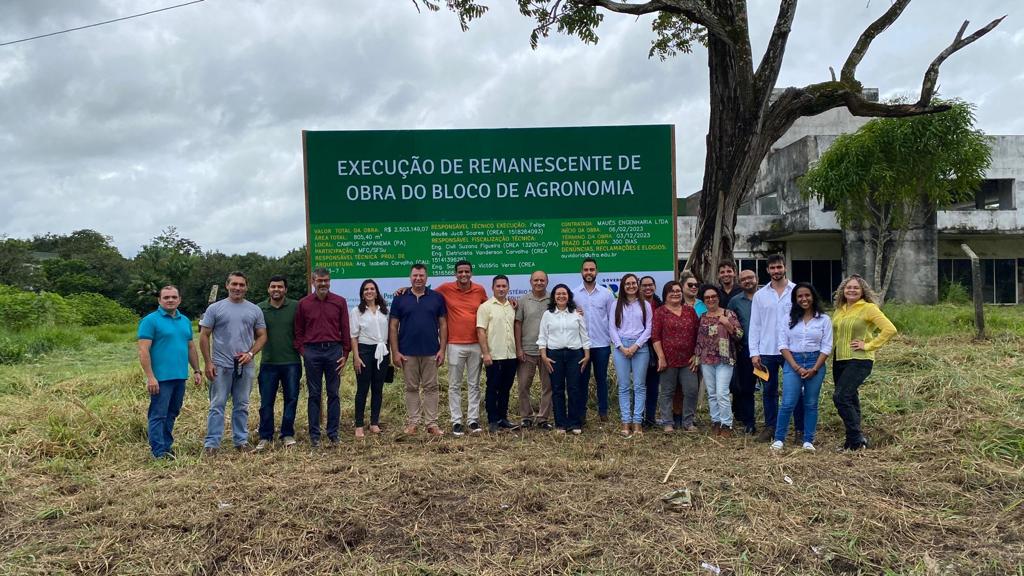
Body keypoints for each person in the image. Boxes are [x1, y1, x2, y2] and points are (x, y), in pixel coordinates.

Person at [200, 271, 267, 455]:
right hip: (220, 365)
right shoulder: (215, 309)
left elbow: (262, 336)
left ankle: (241, 440)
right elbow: (204, 335)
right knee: (217, 404)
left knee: (242, 404)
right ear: (227, 285)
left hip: (245, 365)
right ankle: (212, 443)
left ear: (247, 287)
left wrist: (251, 353)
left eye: (241, 285)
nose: (238, 288)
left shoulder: (254, 310)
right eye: (234, 284)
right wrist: (208, 362)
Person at [831, 275, 897, 450]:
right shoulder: (840, 309)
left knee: (841, 397)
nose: (851, 290)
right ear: (843, 290)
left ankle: (857, 438)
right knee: (851, 398)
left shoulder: (868, 308)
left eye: (856, 288)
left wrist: (868, 345)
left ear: (862, 292)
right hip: (839, 360)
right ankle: (853, 442)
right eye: (848, 287)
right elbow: (835, 335)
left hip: (859, 359)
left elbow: (889, 329)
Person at [137, 285, 201, 459]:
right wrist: (150, 377)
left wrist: (197, 370)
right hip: (160, 379)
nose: (170, 300)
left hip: (180, 376)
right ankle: (158, 452)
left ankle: (167, 446)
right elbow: (143, 351)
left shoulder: (185, 321)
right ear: (159, 300)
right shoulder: (150, 321)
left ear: (179, 299)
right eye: (166, 297)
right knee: (158, 414)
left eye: (174, 297)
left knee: (172, 412)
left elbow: (190, 346)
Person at [294, 267, 351, 448]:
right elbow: (298, 331)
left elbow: (345, 328)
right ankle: (315, 435)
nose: (323, 284)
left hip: (334, 351)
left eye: (326, 280)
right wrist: (304, 352)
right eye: (319, 281)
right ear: (313, 282)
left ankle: (333, 433)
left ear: (330, 281)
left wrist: (346, 353)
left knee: (334, 393)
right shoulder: (303, 303)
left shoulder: (339, 302)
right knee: (314, 394)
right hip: (313, 352)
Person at [748, 254, 802, 443]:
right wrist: (754, 353)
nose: (776, 271)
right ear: (767, 270)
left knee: (794, 391)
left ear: (784, 267)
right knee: (769, 391)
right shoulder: (760, 296)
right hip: (767, 351)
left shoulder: (796, 291)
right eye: (772, 268)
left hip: (792, 350)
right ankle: (771, 427)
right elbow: (755, 325)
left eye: (779, 267)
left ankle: (799, 430)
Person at [390, 263, 448, 436]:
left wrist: (442, 349)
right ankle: (413, 423)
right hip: (407, 352)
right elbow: (393, 326)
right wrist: (395, 352)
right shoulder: (400, 297)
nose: (418, 278)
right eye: (415, 275)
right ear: (410, 277)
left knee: (431, 388)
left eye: (421, 275)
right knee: (411, 388)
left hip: (431, 350)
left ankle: (432, 424)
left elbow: (443, 325)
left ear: (426, 277)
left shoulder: (437, 297)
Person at [773, 282, 832, 452]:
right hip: (793, 362)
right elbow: (783, 345)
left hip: (816, 362)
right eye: (799, 296)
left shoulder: (824, 319)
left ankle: (808, 440)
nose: (804, 299)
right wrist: (797, 367)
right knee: (788, 402)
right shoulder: (788, 319)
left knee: (811, 403)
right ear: (795, 299)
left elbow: (826, 347)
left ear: (813, 297)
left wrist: (814, 368)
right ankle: (779, 438)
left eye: (807, 295)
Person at [435, 260, 488, 436]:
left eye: (466, 271)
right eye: (460, 272)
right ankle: (456, 421)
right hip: (454, 344)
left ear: (471, 273)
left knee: (474, 385)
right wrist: (404, 290)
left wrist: (510, 303)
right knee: (454, 385)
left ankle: (473, 420)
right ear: (455, 274)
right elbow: (426, 294)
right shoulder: (445, 288)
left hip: (476, 344)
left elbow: (488, 309)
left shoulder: (479, 290)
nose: (463, 275)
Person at [255, 275, 302, 451]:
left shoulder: (296, 307)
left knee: (291, 399)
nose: (276, 290)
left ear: (285, 289)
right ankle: (265, 436)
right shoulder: (259, 309)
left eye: (280, 287)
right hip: (268, 363)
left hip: (292, 362)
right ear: (268, 289)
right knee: (266, 401)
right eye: (273, 286)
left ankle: (287, 433)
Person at [538, 284, 590, 435]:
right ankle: (560, 423)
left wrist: (586, 355)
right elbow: (542, 337)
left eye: (564, 294)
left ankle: (574, 423)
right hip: (554, 356)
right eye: (558, 294)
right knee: (557, 390)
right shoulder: (548, 314)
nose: (561, 296)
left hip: (575, 355)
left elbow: (584, 336)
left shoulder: (576, 314)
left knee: (574, 389)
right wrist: (544, 356)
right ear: (554, 297)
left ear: (569, 297)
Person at [694, 285, 743, 436]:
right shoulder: (702, 317)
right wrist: (696, 358)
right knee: (712, 393)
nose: (711, 299)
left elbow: (740, 335)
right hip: (706, 360)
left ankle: (726, 424)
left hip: (724, 359)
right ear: (704, 300)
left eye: (713, 296)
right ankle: (716, 421)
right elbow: (699, 340)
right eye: (707, 297)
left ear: (718, 297)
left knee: (722, 392)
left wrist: (728, 325)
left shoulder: (728, 314)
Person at [652, 281, 700, 433]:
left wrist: (696, 354)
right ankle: (668, 422)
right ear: (665, 294)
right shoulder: (660, 312)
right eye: (671, 291)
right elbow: (655, 336)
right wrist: (661, 357)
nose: (675, 293)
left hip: (688, 360)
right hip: (668, 360)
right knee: (667, 392)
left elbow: (699, 334)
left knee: (691, 390)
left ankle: (688, 422)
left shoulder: (690, 311)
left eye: (678, 290)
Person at [609, 273, 654, 437]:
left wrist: (635, 346)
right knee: (624, 386)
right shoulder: (616, 304)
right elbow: (612, 328)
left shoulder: (645, 305)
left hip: (640, 347)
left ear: (638, 285)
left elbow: (648, 328)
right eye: (627, 283)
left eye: (633, 283)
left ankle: (637, 422)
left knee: (639, 386)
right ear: (622, 286)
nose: (631, 286)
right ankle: (625, 422)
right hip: (621, 348)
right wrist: (621, 347)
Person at [574, 257, 615, 424]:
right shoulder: (574, 293)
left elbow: (612, 319)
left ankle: (603, 412)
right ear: (581, 272)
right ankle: (581, 413)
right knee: (581, 380)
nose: (589, 272)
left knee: (601, 379)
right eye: (586, 270)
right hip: (581, 345)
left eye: (592, 269)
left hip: (601, 344)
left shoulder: (606, 294)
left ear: (596, 272)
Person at [477, 275, 520, 433]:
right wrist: (485, 353)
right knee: (492, 388)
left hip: (511, 355)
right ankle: (492, 420)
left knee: (505, 389)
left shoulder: (512, 306)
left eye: (504, 286)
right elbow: (480, 331)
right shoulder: (486, 307)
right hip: (494, 356)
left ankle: (503, 418)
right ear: (493, 288)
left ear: (508, 288)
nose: (501, 289)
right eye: (498, 286)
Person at [350, 279, 389, 439]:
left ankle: (374, 422)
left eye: (372, 288)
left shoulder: (384, 310)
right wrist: (356, 357)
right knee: (362, 389)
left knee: (378, 388)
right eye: (366, 289)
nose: (369, 291)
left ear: (376, 291)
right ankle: (359, 424)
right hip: (365, 351)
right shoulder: (357, 312)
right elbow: (353, 337)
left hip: (382, 351)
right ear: (362, 293)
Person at [514, 270, 553, 431]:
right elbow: (517, 324)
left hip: (548, 351)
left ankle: (543, 418)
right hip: (527, 350)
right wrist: (518, 348)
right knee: (523, 385)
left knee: (548, 386)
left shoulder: (553, 299)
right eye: (535, 280)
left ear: (547, 281)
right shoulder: (523, 300)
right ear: (530, 282)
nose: (539, 283)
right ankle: (526, 416)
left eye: (542, 280)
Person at [672, 270, 706, 428]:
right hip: (677, 353)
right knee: (676, 388)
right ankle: (676, 416)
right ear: (682, 286)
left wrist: (698, 353)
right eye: (690, 285)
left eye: (696, 285)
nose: (694, 287)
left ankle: (689, 418)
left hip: (697, 353)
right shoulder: (675, 304)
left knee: (693, 387)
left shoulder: (703, 305)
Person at [727, 269, 759, 435]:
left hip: (768, 350)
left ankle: (772, 423)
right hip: (745, 350)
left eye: (750, 278)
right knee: (747, 388)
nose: (748, 281)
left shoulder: (766, 297)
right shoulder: (734, 302)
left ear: (756, 278)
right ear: (739, 283)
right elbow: (731, 326)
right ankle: (749, 422)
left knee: (770, 388)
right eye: (744, 279)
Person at [639, 275, 661, 428]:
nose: (648, 288)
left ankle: (651, 418)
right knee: (640, 385)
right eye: (644, 285)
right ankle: (638, 418)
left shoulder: (660, 305)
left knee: (653, 386)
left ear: (654, 286)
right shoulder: (634, 305)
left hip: (657, 349)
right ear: (640, 288)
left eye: (650, 285)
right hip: (640, 348)